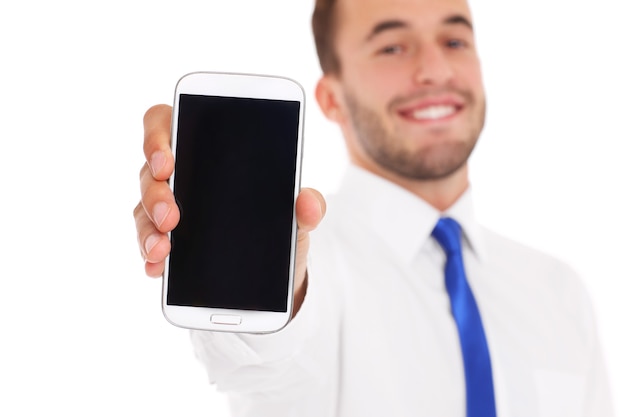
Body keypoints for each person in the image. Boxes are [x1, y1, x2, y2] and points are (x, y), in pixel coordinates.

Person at [134, 0, 614, 415]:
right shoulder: (309, 270)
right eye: (392, 47)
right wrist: (258, 276)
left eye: (454, 41)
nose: (436, 70)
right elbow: (266, 368)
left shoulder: (559, 292)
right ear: (331, 99)